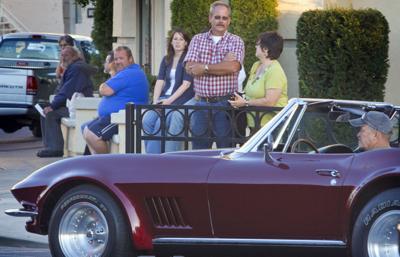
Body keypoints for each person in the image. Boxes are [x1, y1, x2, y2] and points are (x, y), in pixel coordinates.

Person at [185, 0, 245, 149]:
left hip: (225, 105)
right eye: (217, 17)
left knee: (226, 153)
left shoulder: (236, 41)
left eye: (225, 18)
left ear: (229, 20)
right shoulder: (197, 40)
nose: (221, 21)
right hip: (201, 104)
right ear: (210, 18)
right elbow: (190, 67)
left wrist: (204, 67)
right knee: (199, 154)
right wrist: (221, 64)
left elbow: (233, 67)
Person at [83, 46, 149, 154]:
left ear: (130, 59)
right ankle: (95, 164)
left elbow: (105, 90)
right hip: (113, 116)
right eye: (116, 59)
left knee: (92, 134)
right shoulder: (126, 73)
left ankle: (106, 164)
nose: (118, 61)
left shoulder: (130, 73)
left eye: (121, 58)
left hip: (123, 117)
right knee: (86, 129)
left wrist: (102, 86)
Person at [143, 28, 194, 154]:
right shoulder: (166, 59)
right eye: (175, 39)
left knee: (160, 123)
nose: (177, 42)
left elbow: (186, 85)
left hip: (177, 100)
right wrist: (155, 102)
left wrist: (169, 101)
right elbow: (160, 81)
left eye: (181, 39)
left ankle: (153, 159)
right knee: (146, 120)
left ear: (186, 43)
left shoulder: (189, 60)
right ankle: (153, 155)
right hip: (163, 99)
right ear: (171, 42)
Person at [37, 46, 94, 157]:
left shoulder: (76, 69)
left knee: (51, 113)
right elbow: (62, 90)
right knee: (44, 109)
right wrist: (51, 104)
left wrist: (53, 106)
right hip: (73, 105)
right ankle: (48, 146)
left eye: (66, 55)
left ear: (74, 56)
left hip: (78, 108)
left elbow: (67, 90)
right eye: (62, 55)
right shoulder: (74, 67)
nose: (63, 58)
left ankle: (55, 148)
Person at [229, 31, 288, 132]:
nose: (255, 47)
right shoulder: (256, 65)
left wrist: (245, 103)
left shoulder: (275, 71)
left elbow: (270, 101)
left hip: (270, 127)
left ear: (265, 50)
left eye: (257, 44)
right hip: (254, 125)